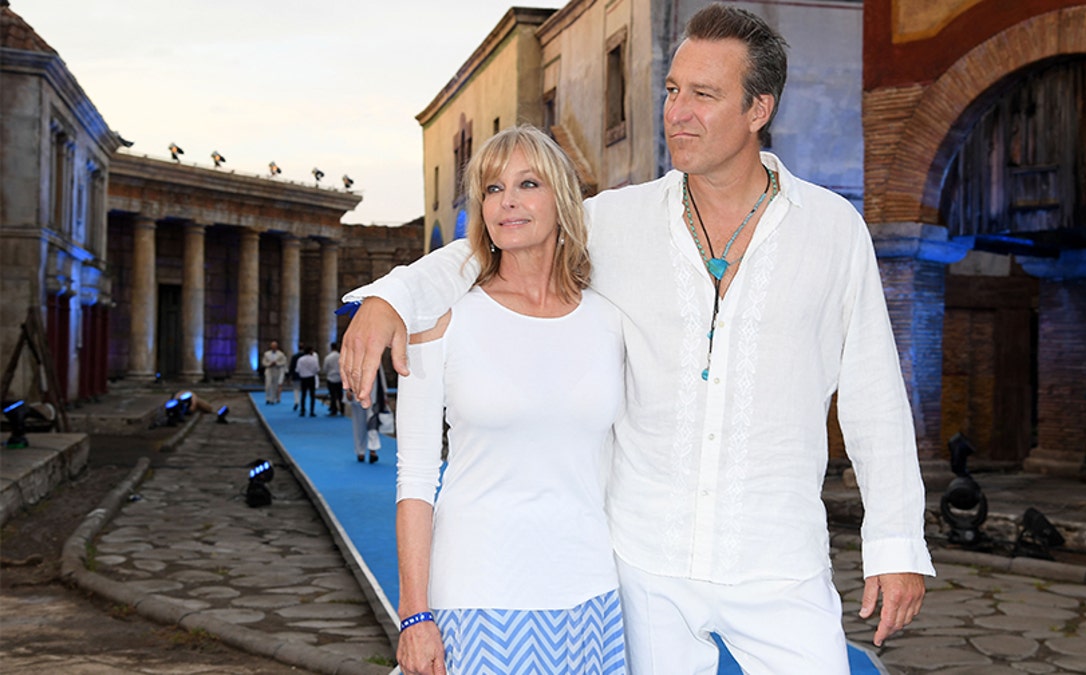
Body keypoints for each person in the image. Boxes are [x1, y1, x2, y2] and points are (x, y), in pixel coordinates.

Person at [342, 4, 932, 672]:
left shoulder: (832, 230)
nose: (676, 111)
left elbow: (873, 394)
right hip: (643, 567)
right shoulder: (616, 222)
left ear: (758, 108)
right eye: (672, 90)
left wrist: (895, 544)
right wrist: (390, 295)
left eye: (703, 96)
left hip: (778, 559)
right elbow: (502, 240)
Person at [390, 125, 625, 675]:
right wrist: (413, 614)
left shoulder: (609, 320)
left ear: (562, 200)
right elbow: (416, 477)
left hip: (589, 594)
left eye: (527, 183)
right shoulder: (442, 319)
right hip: (477, 595)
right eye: (492, 189)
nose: (508, 201)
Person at [295, 345, 320, 417]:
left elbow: (297, 369)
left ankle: (302, 410)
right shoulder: (314, 359)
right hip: (311, 377)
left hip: (303, 378)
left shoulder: (300, 359)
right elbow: (317, 369)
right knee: (312, 395)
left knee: (303, 395)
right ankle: (312, 411)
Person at [261, 340, 287, 404]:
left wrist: (277, 363)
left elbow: (284, 362)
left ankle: (273, 399)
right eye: (272, 346)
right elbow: (263, 362)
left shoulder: (281, 354)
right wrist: (269, 364)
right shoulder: (266, 354)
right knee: (268, 385)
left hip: (276, 370)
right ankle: (268, 398)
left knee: (275, 385)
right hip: (269, 370)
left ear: (277, 346)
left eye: (275, 346)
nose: (273, 347)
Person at [323, 341, 344, 416]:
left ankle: (334, 410)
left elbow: (325, 368)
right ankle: (342, 409)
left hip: (331, 377)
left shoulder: (328, 357)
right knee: (340, 395)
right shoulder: (341, 356)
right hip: (339, 378)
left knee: (333, 395)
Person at [287, 344, 305, 411]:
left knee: (296, 390)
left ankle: (296, 401)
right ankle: (303, 403)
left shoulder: (294, 356)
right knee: (303, 390)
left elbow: (291, 367)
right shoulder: (305, 356)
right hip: (304, 376)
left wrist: (289, 376)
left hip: (296, 375)